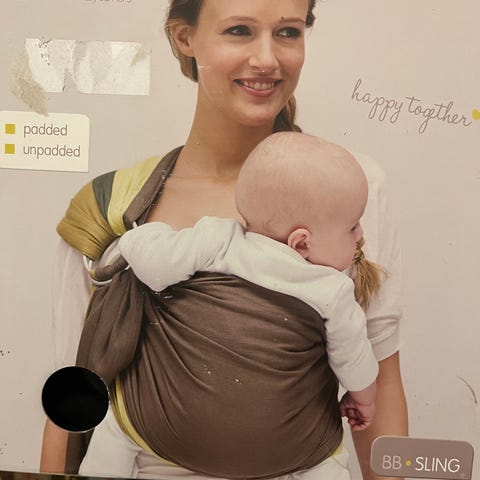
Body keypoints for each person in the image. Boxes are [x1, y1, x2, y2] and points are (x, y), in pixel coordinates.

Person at [40, 1, 408, 479]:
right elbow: (70, 402)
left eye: (288, 32)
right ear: (184, 38)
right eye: (239, 30)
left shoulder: (351, 189)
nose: (267, 59)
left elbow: (382, 387)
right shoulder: (108, 208)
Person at [77, 132, 379, 478]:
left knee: (117, 423)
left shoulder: (218, 239)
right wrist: (364, 399)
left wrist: (138, 237)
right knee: (327, 458)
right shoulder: (332, 289)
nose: (360, 235)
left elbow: (155, 266)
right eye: (352, 227)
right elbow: (354, 361)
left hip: (165, 426)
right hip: (284, 448)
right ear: (301, 243)